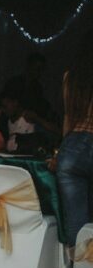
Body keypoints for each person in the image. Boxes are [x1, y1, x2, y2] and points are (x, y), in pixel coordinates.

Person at [53, 30, 93, 247]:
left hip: (72, 147)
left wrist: (60, 152)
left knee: (75, 225)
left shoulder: (70, 76)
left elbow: (68, 118)